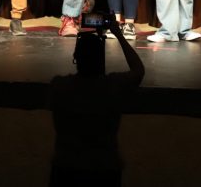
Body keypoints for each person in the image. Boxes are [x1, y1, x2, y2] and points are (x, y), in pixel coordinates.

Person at [50, 18, 145, 186]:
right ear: (101, 59)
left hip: (66, 167)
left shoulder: (60, 86)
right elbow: (138, 70)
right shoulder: (112, 86)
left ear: (75, 57)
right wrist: (118, 35)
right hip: (104, 168)